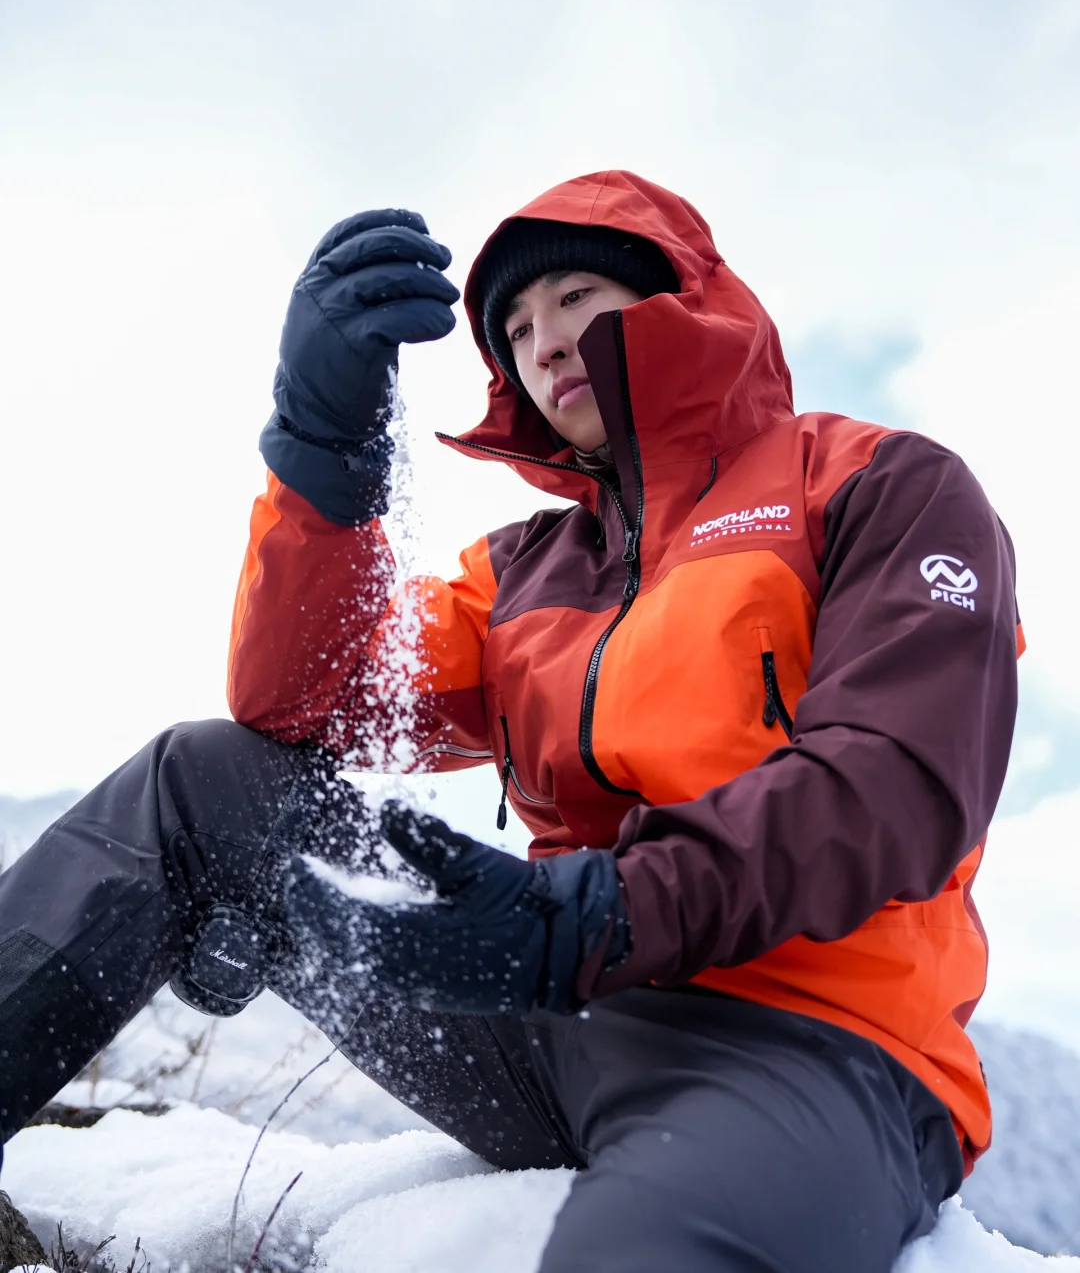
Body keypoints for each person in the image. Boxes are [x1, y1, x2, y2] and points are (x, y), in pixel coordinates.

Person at [0, 171, 1021, 1273]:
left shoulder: (876, 485)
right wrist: (320, 454)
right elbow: (307, 701)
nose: (545, 341)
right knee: (202, 779)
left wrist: (588, 915)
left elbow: (893, 785)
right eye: (519, 327)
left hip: (809, 1042)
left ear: (680, 299)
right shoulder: (528, 568)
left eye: (578, 296)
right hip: (546, 1015)